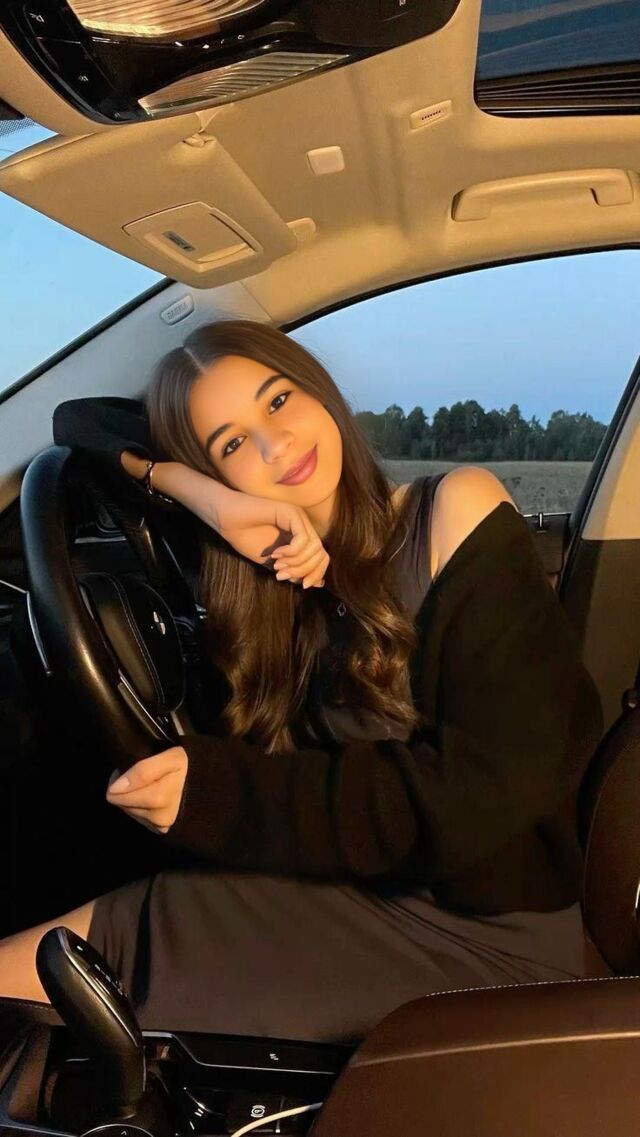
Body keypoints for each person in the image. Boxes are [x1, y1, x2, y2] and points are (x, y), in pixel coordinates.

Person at [0, 320, 605, 1044]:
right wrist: (207, 496)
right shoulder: (265, 571)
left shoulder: (452, 512)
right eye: (231, 443)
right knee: (65, 946)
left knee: (85, 954)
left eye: (279, 400)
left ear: (319, 390)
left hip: (484, 932)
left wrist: (221, 795)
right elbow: (80, 423)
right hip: (350, 884)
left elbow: (481, 793)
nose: (274, 445)